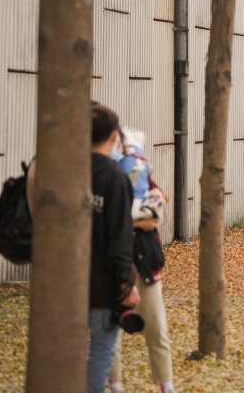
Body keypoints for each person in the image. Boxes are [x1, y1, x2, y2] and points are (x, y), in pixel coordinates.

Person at [108, 130, 176, 393]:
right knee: (111, 330)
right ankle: (114, 385)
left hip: (145, 263)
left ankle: (166, 385)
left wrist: (125, 219)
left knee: (156, 327)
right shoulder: (104, 175)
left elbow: (152, 218)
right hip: (113, 264)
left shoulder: (140, 172)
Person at [87, 104, 138, 393]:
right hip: (104, 284)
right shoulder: (114, 179)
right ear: (114, 136)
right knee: (102, 351)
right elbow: (120, 238)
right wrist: (125, 283)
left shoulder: (66, 170)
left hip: (65, 281)